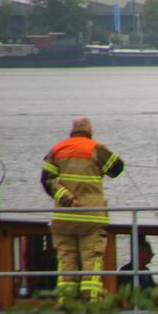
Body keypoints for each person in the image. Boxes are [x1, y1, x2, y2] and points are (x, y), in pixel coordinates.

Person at [41, 117, 124, 301]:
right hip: (91, 217)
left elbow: (46, 180)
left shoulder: (56, 150)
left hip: (64, 217)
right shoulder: (95, 148)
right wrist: (99, 168)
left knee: (66, 261)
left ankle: (66, 302)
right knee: (91, 260)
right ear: (89, 130)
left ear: (72, 131)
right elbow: (117, 168)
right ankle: (92, 302)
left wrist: (67, 199)